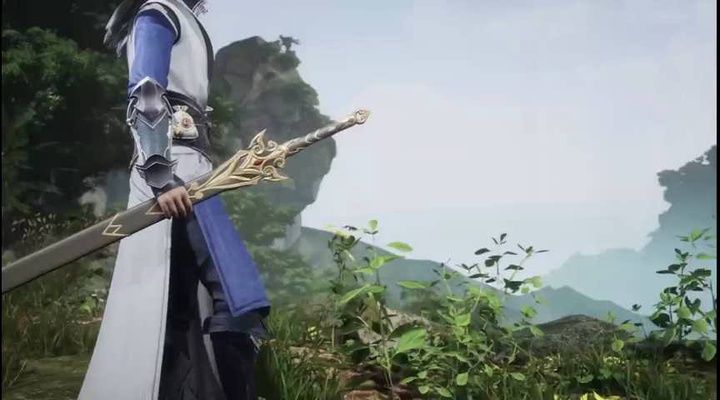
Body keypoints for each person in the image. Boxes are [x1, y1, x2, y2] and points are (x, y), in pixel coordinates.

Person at [78, 1, 270, 399]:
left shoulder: (181, 17)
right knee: (238, 299)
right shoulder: (158, 12)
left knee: (177, 308)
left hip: (193, 171)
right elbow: (146, 89)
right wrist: (160, 174)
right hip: (176, 170)